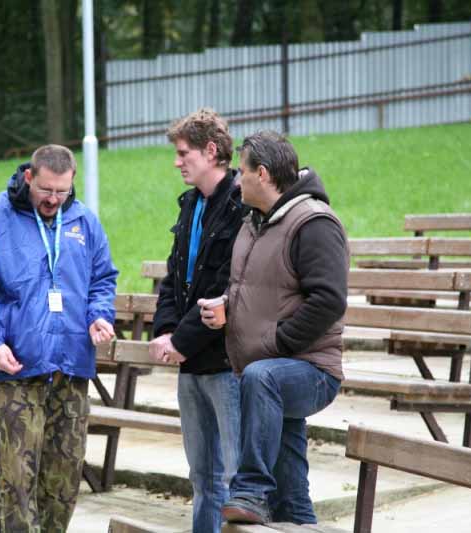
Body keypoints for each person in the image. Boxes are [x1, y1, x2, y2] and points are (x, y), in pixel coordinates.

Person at [0, 144, 118, 532]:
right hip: (18, 369)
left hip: (71, 369)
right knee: (17, 483)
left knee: (63, 481)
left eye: (62, 191)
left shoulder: (83, 221)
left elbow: (102, 279)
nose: (54, 200)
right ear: (29, 177)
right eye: (46, 190)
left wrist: (99, 315)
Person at [200, 131, 348, 525]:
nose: (236, 181)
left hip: (311, 370)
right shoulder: (254, 223)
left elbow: (329, 301)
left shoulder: (314, 223)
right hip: (268, 375)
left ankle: (250, 490)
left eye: (242, 172)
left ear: (262, 173)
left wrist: (276, 342)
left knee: (261, 377)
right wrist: (227, 306)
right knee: (292, 499)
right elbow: (255, 287)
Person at [149, 108, 245, 533]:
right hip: (190, 364)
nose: (177, 162)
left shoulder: (241, 206)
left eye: (183, 153)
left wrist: (180, 343)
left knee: (236, 482)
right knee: (201, 479)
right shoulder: (190, 204)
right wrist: (165, 331)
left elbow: (227, 284)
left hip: (225, 364)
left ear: (210, 151)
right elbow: (174, 276)